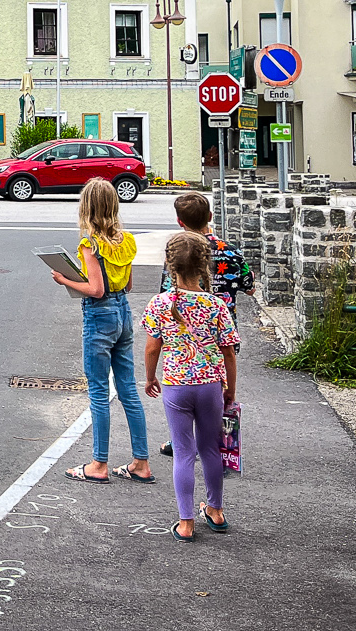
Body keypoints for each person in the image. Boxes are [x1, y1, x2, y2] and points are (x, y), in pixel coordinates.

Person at [53, 179, 154, 484]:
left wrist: (65, 279)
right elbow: (129, 284)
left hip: (100, 316)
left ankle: (99, 463)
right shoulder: (127, 241)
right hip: (123, 311)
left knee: (98, 390)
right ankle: (141, 461)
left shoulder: (90, 245)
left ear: (87, 208)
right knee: (128, 390)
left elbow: (95, 290)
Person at [143, 231, 241, 541]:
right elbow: (228, 351)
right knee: (210, 449)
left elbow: (151, 348)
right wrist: (230, 389)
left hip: (175, 385)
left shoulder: (160, 303)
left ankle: (185, 523)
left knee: (183, 452)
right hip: (210, 384)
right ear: (204, 265)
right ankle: (215, 510)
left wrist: (150, 377)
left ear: (170, 266)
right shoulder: (216, 305)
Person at [157, 192, 254, 457]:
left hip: (185, 334)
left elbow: (167, 293)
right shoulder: (231, 252)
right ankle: (215, 441)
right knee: (219, 387)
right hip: (222, 331)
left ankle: (183, 440)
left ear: (179, 221)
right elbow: (250, 286)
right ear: (210, 217)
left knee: (187, 386)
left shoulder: (177, 255)